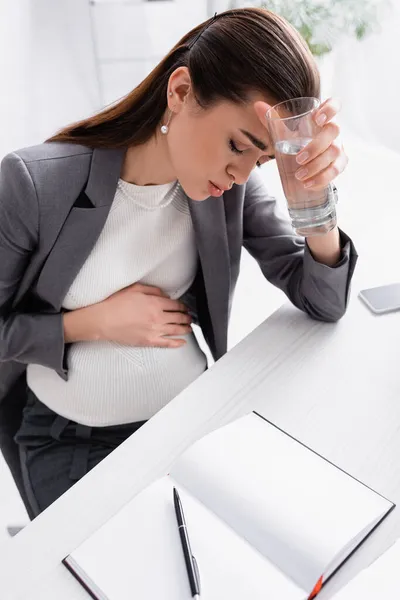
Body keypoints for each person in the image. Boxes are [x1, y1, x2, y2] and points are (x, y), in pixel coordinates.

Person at [0, 7, 357, 519]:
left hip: (192, 422)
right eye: (238, 145)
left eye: (260, 160)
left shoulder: (229, 191)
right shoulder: (34, 183)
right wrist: (90, 323)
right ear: (182, 91)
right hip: (71, 442)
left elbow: (322, 300)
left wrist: (314, 202)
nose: (240, 174)